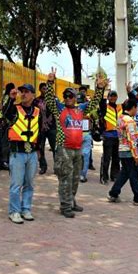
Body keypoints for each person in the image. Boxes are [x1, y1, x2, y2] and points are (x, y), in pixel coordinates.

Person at [45, 71, 107, 218]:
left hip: (77, 149)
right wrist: (50, 83)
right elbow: (48, 98)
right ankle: (65, 206)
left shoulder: (81, 109)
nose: (67, 98)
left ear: (75, 98)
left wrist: (99, 88)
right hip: (64, 149)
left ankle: (71, 201)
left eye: (70, 96)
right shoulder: (59, 108)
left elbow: (94, 102)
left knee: (74, 178)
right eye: (65, 96)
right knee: (65, 179)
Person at [3, 84, 42, 224]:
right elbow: (4, 114)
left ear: (33, 94)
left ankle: (26, 209)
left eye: (26, 92)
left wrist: (39, 151)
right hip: (17, 152)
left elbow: (41, 132)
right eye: (22, 92)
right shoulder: (15, 109)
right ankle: (14, 211)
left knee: (29, 183)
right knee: (16, 184)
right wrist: (10, 99)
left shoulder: (37, 111)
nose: (23, 94)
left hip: (31, 152)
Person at [107, 99, 138, 206]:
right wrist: (136, 156)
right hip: (129, 152)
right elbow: (132, 140)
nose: (137, 110)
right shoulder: (130, 121)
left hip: (122, 150)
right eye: (136, 108)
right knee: (134, 175)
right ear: (132, 108)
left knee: (124, 174)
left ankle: (113, 193)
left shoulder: (120, 118)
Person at [98, 90, 122, 184]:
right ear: (108, 97)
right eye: (111, 96)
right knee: (106, 157)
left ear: (116, 97)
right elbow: (101, 101)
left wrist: (129, 92)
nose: (112, 98)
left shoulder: (120, 107)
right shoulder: (105, 107)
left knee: (116, 158)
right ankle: (104, 177)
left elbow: (131, 101)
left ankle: (114, 176)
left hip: (118, 136)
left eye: (114, 96)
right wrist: (102, 88)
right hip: (108, 136)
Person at [33, 83, 56, 175]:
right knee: (40, 148)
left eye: (47, 88)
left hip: (52, 127)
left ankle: (57, 167)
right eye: (43, 88)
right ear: (40, 89)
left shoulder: (54, 99)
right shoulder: (36, 101)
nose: (45, 90)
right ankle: (43, 166)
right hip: (40, 128)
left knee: (55, 148)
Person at [0, 83, 16, 169]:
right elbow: (5, 110)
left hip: (10, 123)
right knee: (5, 143)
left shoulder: (9, 97)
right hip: (7, 123)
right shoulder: (7, 97)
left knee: (10, 143)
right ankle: (4, 161)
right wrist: (11, 99)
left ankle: (8, 160)